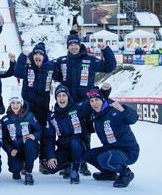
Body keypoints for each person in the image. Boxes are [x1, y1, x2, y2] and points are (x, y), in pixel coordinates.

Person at [53, 30, 116, 176]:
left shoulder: (90, 59)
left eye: (76, 44)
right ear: (67, 46)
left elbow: (109, 66)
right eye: (71, 44)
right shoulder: (62, 61)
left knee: (85, 133)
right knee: (65, 133)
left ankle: (83, 162)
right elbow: (50, 72)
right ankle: (67, 164)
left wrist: (105, 49)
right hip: (66, 106)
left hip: (85, 105)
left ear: (80, 45)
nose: (73, 47)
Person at [84, 86, 140, 188]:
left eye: (97, 100)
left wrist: (123, 110)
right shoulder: (95, 116)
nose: (94, 103)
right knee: (88, 155)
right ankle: (109, 173)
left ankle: (126, 173)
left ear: (103, 100)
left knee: (104, 159)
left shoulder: (113, 111)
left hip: (127, 151)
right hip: (110, 148)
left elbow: (133, 119)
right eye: (91, 101)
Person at [14, 42, 55, 173]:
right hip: (28, 109)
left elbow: (62, 75)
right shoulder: (27, 67)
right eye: (36, 53)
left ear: (44, 57)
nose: (38, 56)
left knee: (43, 134)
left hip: (43, 108)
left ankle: (43, 161)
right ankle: (26, 161)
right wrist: (22, 56)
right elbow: (17, 72)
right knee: (26, 134)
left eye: (41, 54)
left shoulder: (50, 68)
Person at [45, 84, 91, 184]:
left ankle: (75, 169)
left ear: (68, 96)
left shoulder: (78, 108)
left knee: (75, 142)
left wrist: (103, 91)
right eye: (59, 96)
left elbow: (92, 100)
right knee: (51, 169)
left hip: (79, 146)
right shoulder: (52, 116)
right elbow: (50, 138)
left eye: (64, 95)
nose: (62, 98)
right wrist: (51, 156)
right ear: (56, 98)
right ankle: (67, 165)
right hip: (64, 148)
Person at [1, 92, 41, 185]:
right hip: (15, 149)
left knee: (29, 142)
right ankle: (18, 167)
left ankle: (28, 173)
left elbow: (39, 129)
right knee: (14, 168)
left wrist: (34, 136)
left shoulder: (29, 116)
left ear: (21, 104)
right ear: (10, 104)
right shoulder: (5, 120)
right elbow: (3, 138)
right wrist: (10, 150)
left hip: (29, 148)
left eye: (18, 103)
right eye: (13, 103)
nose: (15, 105)